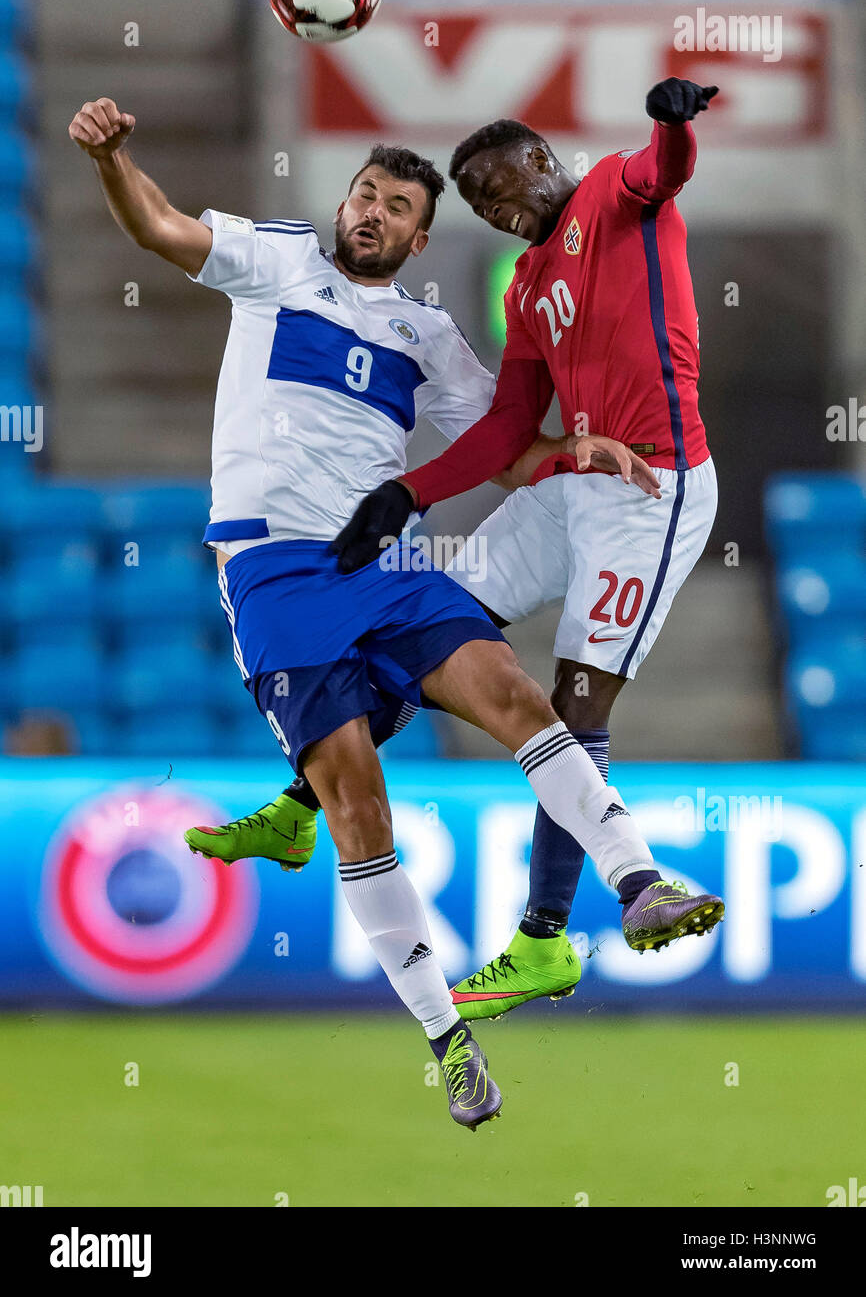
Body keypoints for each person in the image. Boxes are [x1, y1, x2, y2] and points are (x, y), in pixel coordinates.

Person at [69, 96, 671, 1127]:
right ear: (341, 204)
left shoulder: (426, 334)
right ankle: (446, 1036)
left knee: (517, 692)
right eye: (364, 195)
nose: (373, 213)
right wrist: (116, 163)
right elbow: (162, 228)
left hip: (383, 569)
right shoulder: (274, 261)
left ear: (419, 238)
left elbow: (503, 447)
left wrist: (578, 450)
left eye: (396, 206)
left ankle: (636, 881)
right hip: (274, 574)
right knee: (357, 800)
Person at [329, 77, 725, 1018]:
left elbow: (666, 172)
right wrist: (405, 494)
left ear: (545, 160)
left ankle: (545, 939)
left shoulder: (616, 195)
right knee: (429, 630)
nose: (502, 212)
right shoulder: (527, 284)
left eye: (505, 189)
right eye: (481, 207)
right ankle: (304, 799)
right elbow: (511, 423)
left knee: (576, 700)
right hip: (568, 489)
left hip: (649, 494)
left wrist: (672, 124)